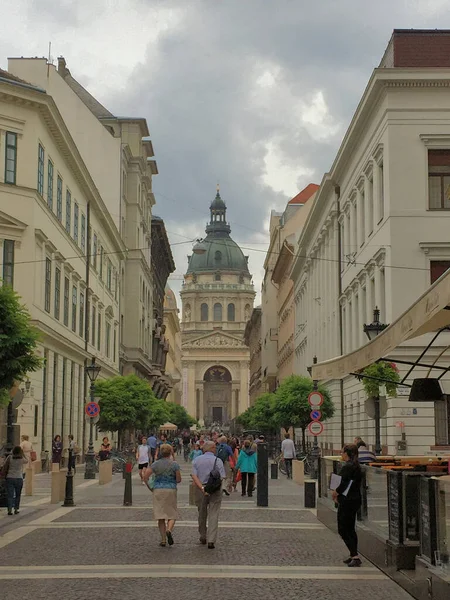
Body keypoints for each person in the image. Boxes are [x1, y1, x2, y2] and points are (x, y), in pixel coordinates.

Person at [332, 443, 363, 567]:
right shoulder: (356, 466)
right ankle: (353, 554)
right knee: (350, 528)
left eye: (342, 452)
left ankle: (355, 555)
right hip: (355, 499)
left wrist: (335, 492)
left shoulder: (348, 467)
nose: (341, 454)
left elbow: (342, 482)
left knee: (343, 528)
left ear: (347, 453)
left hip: (347, 500)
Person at [145, 443, 181, 546]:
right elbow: (178, 479)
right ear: (170, 453)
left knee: (160, 515)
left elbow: (145, 477)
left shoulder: (155, 464)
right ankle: (169, 529)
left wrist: (151, 487)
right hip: (171, 489)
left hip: (158, 490)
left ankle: (163, 540)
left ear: (160, 452)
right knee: (172, 513)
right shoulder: (174, 464)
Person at [191, 440, 225, 549]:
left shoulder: (196, 460)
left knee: (201, 513)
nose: (216, 449)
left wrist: (202, 488)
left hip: (200, 488)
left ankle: (203, 535)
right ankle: (211, 540)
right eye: (214, 448)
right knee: (213, 513)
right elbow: (222, 476)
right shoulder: (218, 461)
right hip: (215, 489)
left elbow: (194, 476)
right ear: (211, 449)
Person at [4, 446, 28, 515]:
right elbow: (27, 461)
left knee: (10, 495)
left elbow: (5, 465)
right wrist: (23, 454)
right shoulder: (21, 459)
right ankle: (16, 509)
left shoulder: (9, 457)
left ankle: (9, 509)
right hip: (19, 478)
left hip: (10, 477)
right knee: (18, 495)